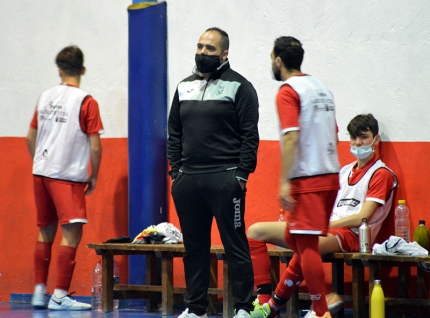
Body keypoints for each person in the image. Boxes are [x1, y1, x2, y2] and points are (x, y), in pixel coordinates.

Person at [249, 114, 398, 318]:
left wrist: (326, 226)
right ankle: (263, 301)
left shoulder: (382, 174)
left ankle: (276, 308)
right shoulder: (344, 171)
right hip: (323, 229)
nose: (358, 143)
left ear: (376, 140)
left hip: (351, 235)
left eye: (364, 137)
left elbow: (362, 217)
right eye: (354, 138)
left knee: (306, 242)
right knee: (255, 231)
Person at [167, 27, 259, 318]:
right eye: (200, 47)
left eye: (210, 48)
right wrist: (175, 173)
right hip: (188, 180)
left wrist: (241, 175)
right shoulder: (183, 87)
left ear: (224, 53)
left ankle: (244, 306)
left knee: (234, 244)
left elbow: (249, 136)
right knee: (194, 247)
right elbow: (174, 133)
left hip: (225, 177)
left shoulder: (240, 87)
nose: (203, 53)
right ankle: (196, 309)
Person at [249, 36, 341, 318]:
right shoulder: (322, 88)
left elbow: (290, 139)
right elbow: (335, 136)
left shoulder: (288, 91)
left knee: (307, 245)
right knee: (296, 238)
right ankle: (278, 306)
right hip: (330, 176)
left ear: (278, 61)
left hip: (307, 179)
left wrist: (285, 181)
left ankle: (322, 308)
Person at [26, 46, 103, 311]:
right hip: (66, 176)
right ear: (83, 69)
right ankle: (59, 296)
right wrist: (94, 175)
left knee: (45, 231)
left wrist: (39, 162)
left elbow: (29, 137)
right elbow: (94, 146)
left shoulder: (45, 96)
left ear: (59, 69)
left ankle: (38, 292)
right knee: (72, 233)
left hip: (41, 172)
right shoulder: (86, 101)